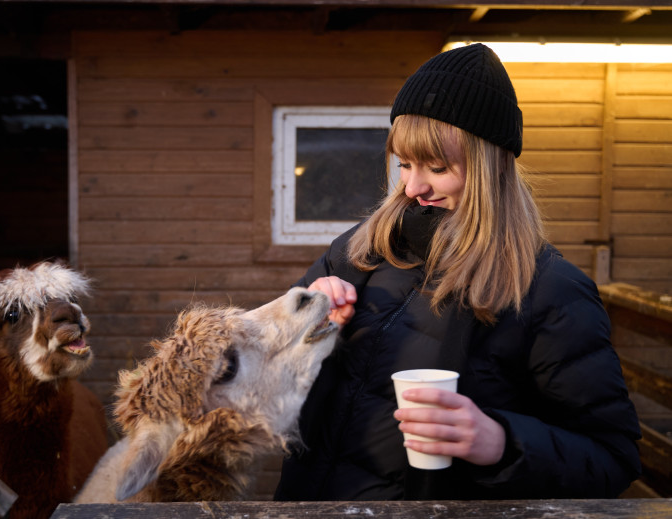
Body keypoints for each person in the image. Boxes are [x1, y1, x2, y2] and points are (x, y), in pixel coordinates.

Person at [274, 43, 641, 501]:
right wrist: (304, 319)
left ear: (489, 169)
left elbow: (611, 458)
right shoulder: (360, 249)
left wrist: (500, 443)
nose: (413, 186)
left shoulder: (550, 290)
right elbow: (270, 372)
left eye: (438, 167)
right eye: (405, 164)